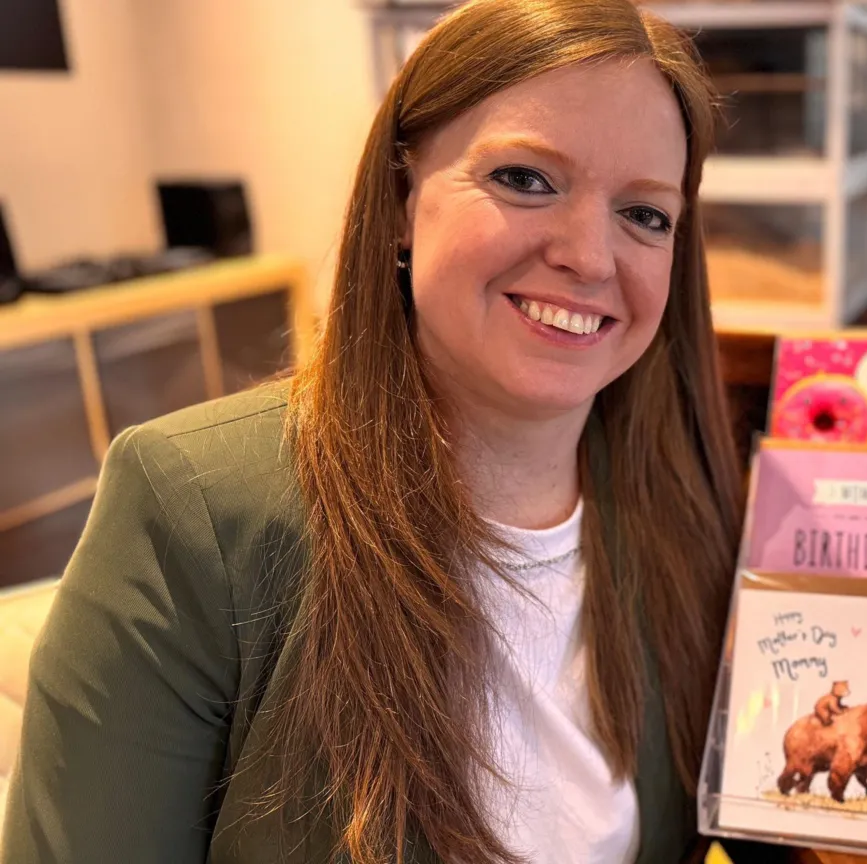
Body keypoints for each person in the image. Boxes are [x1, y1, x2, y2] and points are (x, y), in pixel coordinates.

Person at [1, 1, 742, 862]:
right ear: (400, 197)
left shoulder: (684, 510)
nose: (589, 254)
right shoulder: (192, 509)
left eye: (645, 215)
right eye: (525, 179)